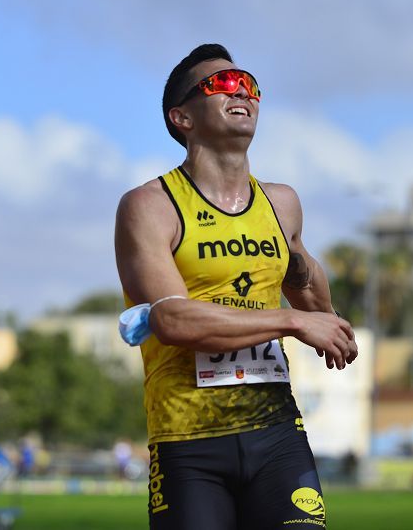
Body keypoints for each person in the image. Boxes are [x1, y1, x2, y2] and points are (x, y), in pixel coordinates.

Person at [114, 44, 358, 529]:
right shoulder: (150, 206)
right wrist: (291, 321)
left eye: (248, 84)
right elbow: (172, 320)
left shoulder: (281, 204)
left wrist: (298, 267)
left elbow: (317, 305)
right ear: (181, 116)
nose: (240, 91)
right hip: (189, 441)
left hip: (276, 432)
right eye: (222, 84)